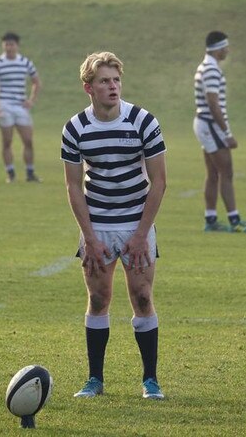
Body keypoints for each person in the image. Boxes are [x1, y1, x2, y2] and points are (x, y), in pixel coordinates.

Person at [61, 51, 167, 400]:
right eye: (105, 81)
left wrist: (140, 235)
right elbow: (74, 186)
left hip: (137, 222)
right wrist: (89, 238)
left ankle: (150, 381)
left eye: (116, 80)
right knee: (98, 298)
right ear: (88, 87)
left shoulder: (143, 121)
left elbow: (159, 183)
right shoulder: (75, 128)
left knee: (141, 296)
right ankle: (95, 380)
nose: (113, 86)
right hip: (98, 225)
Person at [193, 31, 246, 233]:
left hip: (205, 124)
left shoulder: (205, 66)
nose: (228, 50)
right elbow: (213, 104)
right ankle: (235, 221)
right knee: (226, 172)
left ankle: (211, 219)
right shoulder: (211, 69)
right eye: (226, 47)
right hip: (210, 124)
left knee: (213, 174)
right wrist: (227, 133)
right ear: (218, 48)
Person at [0, 32, 42, 183]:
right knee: (7, 142)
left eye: (11, 44)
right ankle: (10, 173)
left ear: (17, 45)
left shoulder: (25, 62)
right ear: (2, 45)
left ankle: (30, 173)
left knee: (28, 140)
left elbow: (36, 82)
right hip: (4, 105)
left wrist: (31, 101)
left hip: (21, 106)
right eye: (6, 44)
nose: (9, 47)